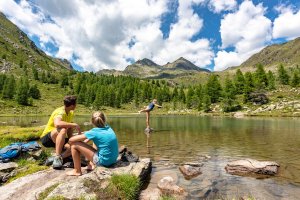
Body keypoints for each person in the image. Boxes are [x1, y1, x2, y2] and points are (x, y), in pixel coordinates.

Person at [66, 111, 119, 176]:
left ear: (92, 121)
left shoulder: (94, 132)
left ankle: (77, 171)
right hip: (113, 160)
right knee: (95, 140)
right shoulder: (109, 128)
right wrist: (85, 136)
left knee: (74, 145)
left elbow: (71, 140)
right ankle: (91, 164)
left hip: (104, 162)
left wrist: (79, 136)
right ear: (104, 119)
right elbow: (95, 135)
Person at [40, 95, 81, 169]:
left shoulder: (70, 113)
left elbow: (69, 129)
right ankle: (58, 156)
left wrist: (70, 141)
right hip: (47, 138)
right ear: (72, 105)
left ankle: (56, 158)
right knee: (62, 129)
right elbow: (57, 124)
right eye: (75, 104)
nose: (76, 105)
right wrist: (74, 124)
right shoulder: (60, 111)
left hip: (59, 139)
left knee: (74, 145)